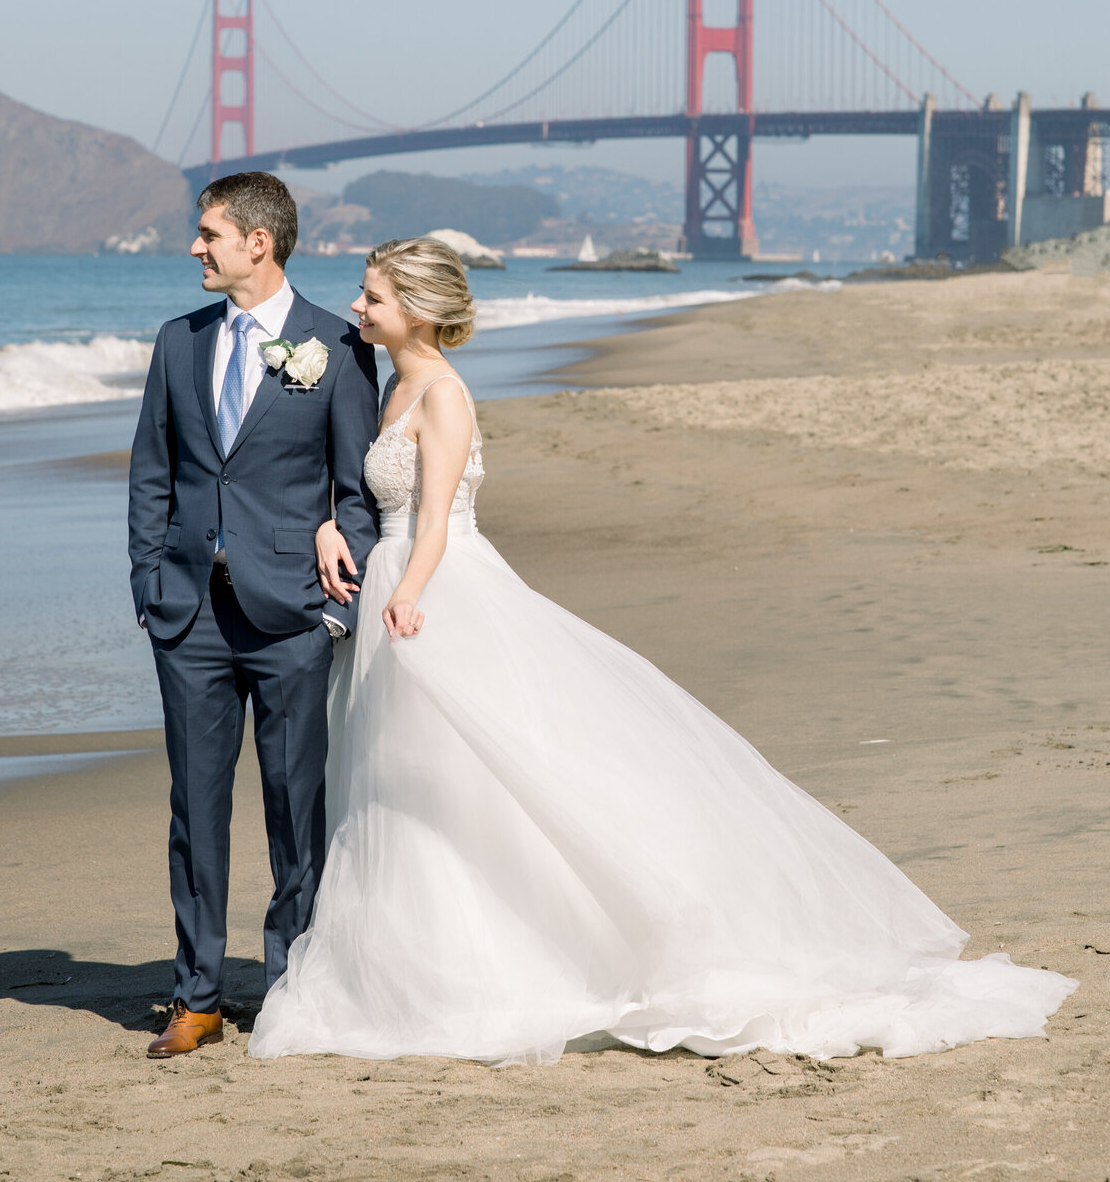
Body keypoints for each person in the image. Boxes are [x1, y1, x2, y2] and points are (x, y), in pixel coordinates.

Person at [250, 235, 1075, 1068]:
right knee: (403, 785)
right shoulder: (393, 382)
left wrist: (408, 592)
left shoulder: (446, 395)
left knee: (477, 776)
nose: (359, 307)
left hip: (437, 590)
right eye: (362, 294)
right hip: (402, 582)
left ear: (419, 310)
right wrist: (330, 523)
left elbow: (435, 520)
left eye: (374, 297)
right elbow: (370, 492)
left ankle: (513, 959)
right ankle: (416, 961)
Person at [128, 172, 379, 1058]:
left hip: (292, 619)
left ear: (258, 243)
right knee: (194, 810)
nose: (195, 247)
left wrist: (336, 598)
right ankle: (195, 994)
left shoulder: (338, 348)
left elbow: (358, 493)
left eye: (209, 234)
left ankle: (290, 984)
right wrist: (150, 586)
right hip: (188, 616)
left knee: (292, 805)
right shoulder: (177, 342)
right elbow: (152, 479)